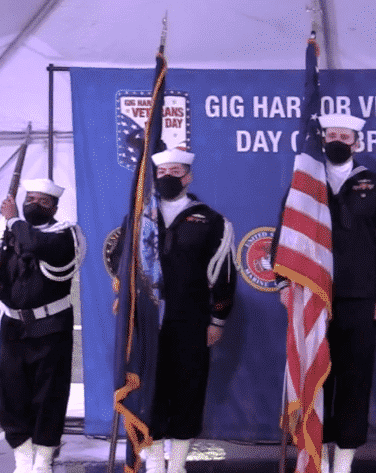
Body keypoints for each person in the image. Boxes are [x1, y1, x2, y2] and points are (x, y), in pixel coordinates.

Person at [273, 113, 376, 473]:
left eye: (344, 135)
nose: (337, 140)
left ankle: (344, 465)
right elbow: (284, 237)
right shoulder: (304, 183)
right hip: (312, 300)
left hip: (359, 301)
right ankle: (314, 460)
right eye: (330, 134)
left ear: (357, 142)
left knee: (354, 382)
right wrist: (285, 284)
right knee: (316, 379)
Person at [0, 178, 86, 473]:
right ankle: (23, 461)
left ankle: (43, 462)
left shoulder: (64, 236)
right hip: (14, 329)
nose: (34, 205)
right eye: (29, 199)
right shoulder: (5, 238)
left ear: (55, 208)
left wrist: (13, 219)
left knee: (49, 397)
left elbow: (35, 243)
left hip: (51, 328)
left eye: (42, 202)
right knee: (11, 396)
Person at [134, 148, 237, 473]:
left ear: (188, 176)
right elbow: (124, 263)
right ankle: (154, 464)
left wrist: (218, 318)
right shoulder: (139, 217)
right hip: (148, 323)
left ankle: (176, 465)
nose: (168, 178)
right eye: (162, 173)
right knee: (149, 391)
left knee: (187, 392)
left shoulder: (211, 220)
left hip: (189, 320)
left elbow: (225, 273)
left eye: (175, 172)